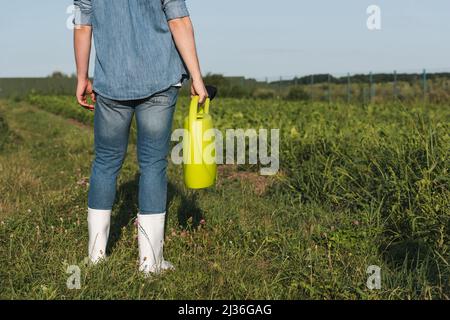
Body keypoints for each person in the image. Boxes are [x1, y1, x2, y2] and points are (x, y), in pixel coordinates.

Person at [73, 0, 208, 275]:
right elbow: (178, 21)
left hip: (112, 84)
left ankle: (96, 256)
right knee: (153, 165)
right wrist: (196, 76)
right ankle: (150, 264)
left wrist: (82, 76)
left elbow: (82, 26)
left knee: (106, 162)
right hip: (159, 81)